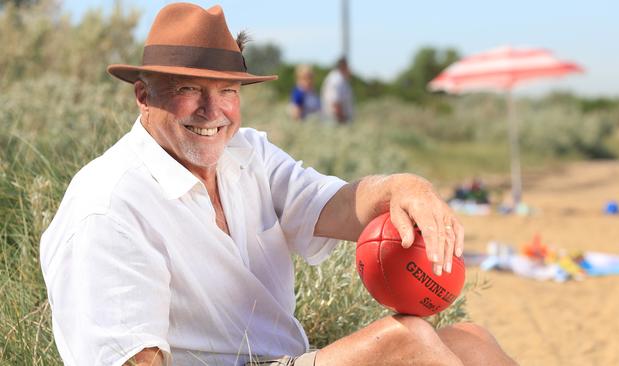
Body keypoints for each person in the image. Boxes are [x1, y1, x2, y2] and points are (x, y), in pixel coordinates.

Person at [40, 3, 516, 366]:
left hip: (285, 360)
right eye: (189, 90)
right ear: (144, 95)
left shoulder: (247, 156)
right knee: (404, 342)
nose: (214, 111)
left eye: (227, 91)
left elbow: (335, 205)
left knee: (469, 341)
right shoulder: (107, 208)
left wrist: (404, 187)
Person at [321, 57, 354, 124]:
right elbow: (335, 103)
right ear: (344, 66)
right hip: (335, 122)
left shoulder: (341, 79)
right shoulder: (336, 80)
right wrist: (343, 120)